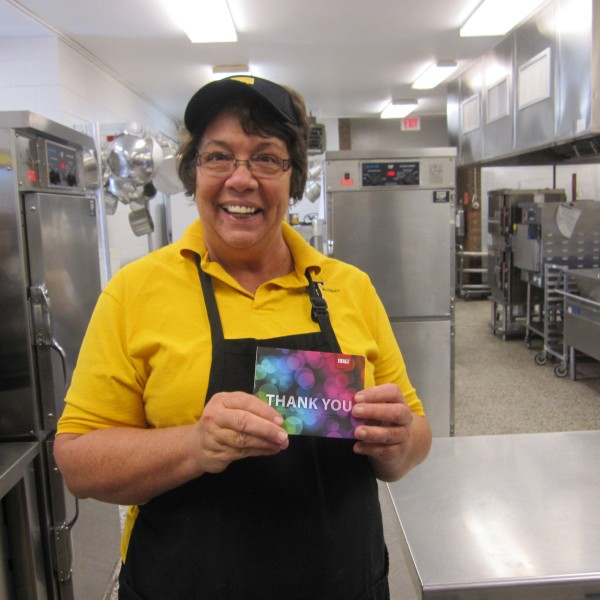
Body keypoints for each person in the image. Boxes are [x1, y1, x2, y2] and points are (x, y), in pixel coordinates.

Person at [54, 75, 432, 600]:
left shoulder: (350, 288)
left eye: (266, 158)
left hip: (344, 585)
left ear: (293, 179)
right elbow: (77, 461)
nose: (241, 179)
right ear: (193, 173)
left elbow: (416, 433)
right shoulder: (134, 292)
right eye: (218, 157)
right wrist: (193, 445)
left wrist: (397, 444)